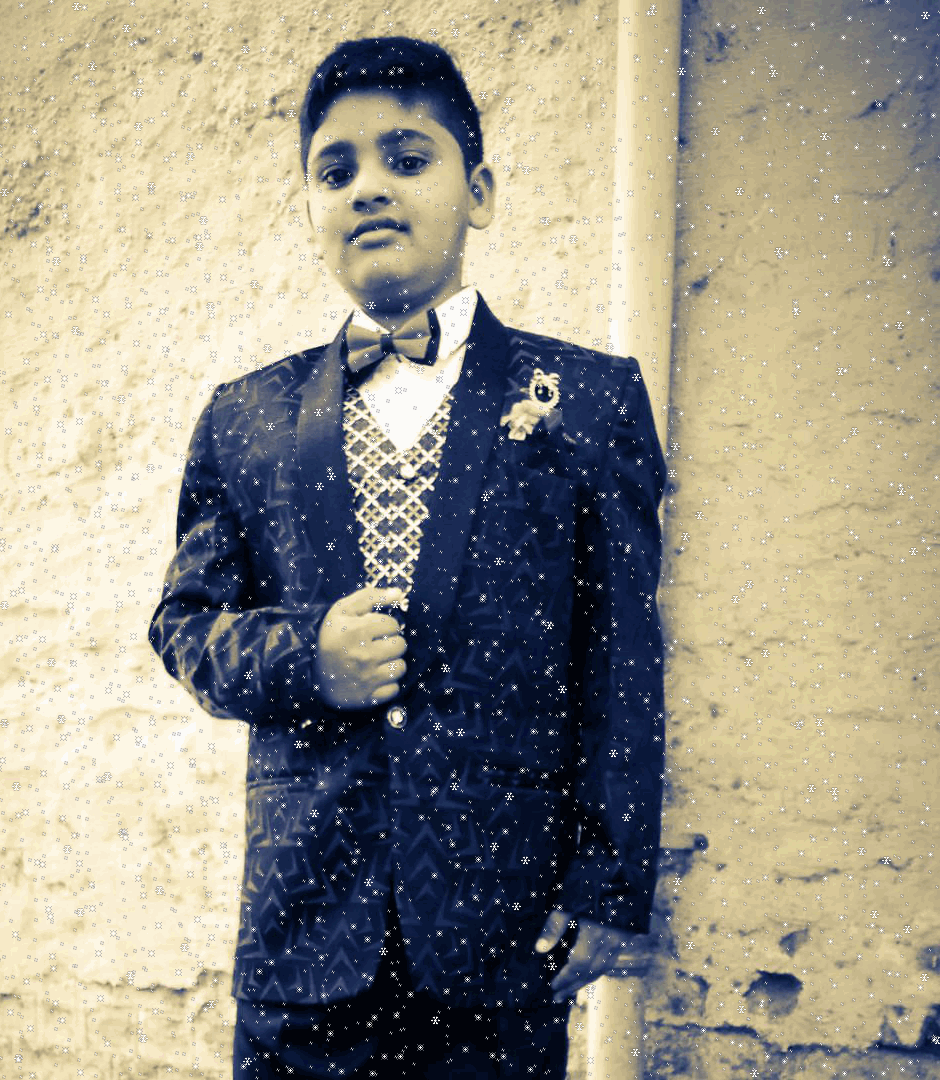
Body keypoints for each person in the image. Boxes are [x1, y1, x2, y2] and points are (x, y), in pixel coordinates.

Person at [149, 35, 667, 1080]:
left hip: (501, 931)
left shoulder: (589, 399)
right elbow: (185, 625)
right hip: (304, 934)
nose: (369, 188)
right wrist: (306, 657)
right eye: (335, 170)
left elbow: (623, 662)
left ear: (478, 192)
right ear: (310, 211)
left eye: (408, 157)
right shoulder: (245, 416)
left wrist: (609, 886)